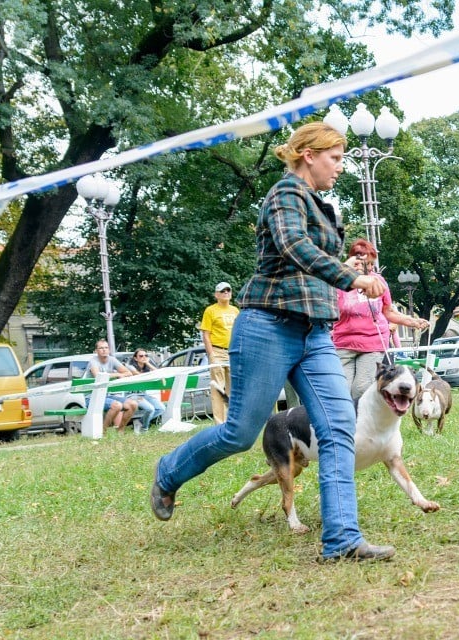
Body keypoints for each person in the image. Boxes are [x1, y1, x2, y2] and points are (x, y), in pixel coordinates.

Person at [151, 121, 395, 562]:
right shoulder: (285, 195)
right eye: (335, 158)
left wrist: (351, 275)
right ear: (308, 155)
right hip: (268, 327)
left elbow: (313, 262)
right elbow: (293, 246)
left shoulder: (323, 207)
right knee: (240, 432)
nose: (341, 168)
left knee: (338, 427)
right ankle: (169, 471)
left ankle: (341, 540)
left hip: (316, 333)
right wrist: (352, 276)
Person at [332, 238, 430, 401]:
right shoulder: (339, 282)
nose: (370, 268)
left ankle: (359, 423)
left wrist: (412, 321)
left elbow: (388, 311)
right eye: (367, 264)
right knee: (341, 391)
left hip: (373, 343)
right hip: (343, 344)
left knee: (361, 389)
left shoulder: (378, 281)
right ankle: (343, 424)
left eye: (372, 264)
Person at [201, 282, 240, 424]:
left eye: (228, 290)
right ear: (216, 294)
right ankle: (219, 423)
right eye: (222, 291)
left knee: (233, 388)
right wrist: (211, 354)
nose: (226, 293)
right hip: (217, 351)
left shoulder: (235, 310)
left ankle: (231, 421)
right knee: (217, 386)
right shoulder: (210, 310)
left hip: (233, 352)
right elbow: (206, 334)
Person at [86, 340, 139, 434]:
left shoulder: (112, 360)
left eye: (106, 348)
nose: (104, 350)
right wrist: (117, 374)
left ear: (109, 350)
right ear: (96, 351)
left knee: (133, 404)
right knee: (117, 405)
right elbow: (98, 376)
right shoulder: (93, 361)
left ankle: (120, 430)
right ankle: (102, 431)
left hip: (106, 395)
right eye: (101, 348)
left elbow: (128, 373)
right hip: (91, 396)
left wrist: (117, 374)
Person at [126, 349, 166, 431]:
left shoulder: (146, 366)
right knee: (150, 409)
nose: (144, 357)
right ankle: (144, 428)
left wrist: (148, 363)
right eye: (141, 356)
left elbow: (159, 373)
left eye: (146, 355)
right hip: (132, 395)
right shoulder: (130, 366)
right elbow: (140, 376)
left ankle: (139, 422)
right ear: (135, 358)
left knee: (161, 408)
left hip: (143, 394)